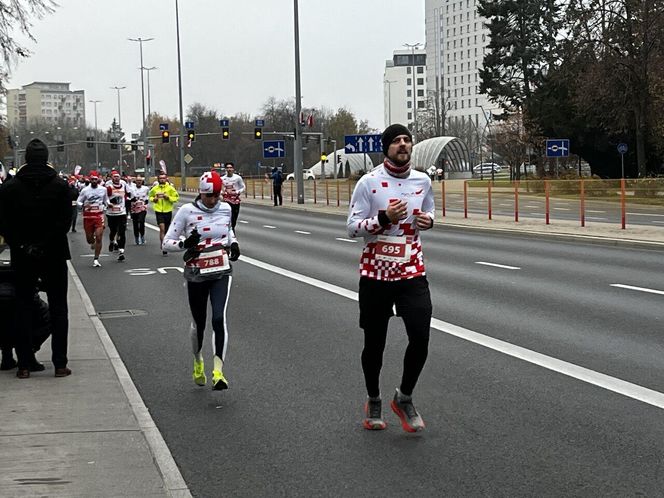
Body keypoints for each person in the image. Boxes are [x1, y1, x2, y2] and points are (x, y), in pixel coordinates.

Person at [347, 123, 435, 433]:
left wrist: (428, 221)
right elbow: (352, 228)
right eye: (396, 141)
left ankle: (405, 397)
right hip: (376, 273)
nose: (402, 145)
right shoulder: (369, 183)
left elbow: (429, 211)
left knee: (421, 337)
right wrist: (384, 218)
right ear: (386, 148)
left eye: (407, 140)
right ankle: (374, 399)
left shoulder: (422, 181)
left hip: (411, 269)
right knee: (375, 343)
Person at [0, 138, 73, 378]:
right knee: (59, 308)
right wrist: (45, 244)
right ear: (47, 159)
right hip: (53, 253)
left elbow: (4, 223)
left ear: (26, 159)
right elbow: (64, 222)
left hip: (23, 255)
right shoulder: (60, 186)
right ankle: (60, 363)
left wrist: (23, 244)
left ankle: (23, 364)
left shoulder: (10, 188)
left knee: (21, 307)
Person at [162, 171, 240, 391]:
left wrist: (233, 243)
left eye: (217, 195)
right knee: (200, 323)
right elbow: (166, 243)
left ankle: (218, 372)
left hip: (221, 270)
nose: (213, 200)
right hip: (196, 273)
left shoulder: (225, 208)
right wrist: (186, 244)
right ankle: (198, 360)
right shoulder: (187, 211)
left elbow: (229, 230)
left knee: (218, 318)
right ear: (200, 194)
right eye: (209, 196)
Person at [77, 171, 108, 267]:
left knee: (99, 236)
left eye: (96, 179)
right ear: (90, 180)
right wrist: (83, 205)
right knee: (89, 239)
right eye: (92, 179)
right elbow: (78, 201)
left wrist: (108, 204)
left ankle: (96, 259)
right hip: (88, 216)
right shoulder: (85, 190)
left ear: (98, 179)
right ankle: (92, 241)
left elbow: (106, 200)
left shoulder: (103, 189)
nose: (94, 181)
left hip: (99, 215)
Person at [149, 173, 179, 255]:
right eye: (160, 178)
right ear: (158, 180)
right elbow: (150, 196)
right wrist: (154, 199)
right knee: (162, 228)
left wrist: (168, 197)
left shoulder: (170, 188)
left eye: (163, 178)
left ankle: (165, 242)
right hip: (158, 210)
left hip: (168, 210)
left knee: (166, 229)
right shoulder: (155, 188)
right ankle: (163, 246)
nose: (162, 180)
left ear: (166, 179)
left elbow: (176, 198)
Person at [105, 170, 129, 261]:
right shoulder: (108, 186)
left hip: (122, 212)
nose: (116, 178)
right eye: (114, 177)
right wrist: (108, 203)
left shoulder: (124, 184)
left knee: (121, 232)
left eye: (118, 176)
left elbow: (130, 192)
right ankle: (112, 241)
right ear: (111, 178)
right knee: (113, 231)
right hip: (111, 213)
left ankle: (121, 251)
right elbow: (105, 197)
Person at [221, 162, 245, 229]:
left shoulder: (238, 178)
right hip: (226, 200)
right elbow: (220, 188)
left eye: (230, 168)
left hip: (235, 201)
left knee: (234, 218)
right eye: (227, 168)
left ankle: (232, 229)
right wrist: (222, 193)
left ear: (233, 169)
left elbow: (243, 187)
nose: (229, 169)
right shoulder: (222, 179)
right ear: (225, 169)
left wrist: (237, 192)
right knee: (227, 217)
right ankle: (228, 229)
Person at [129, 176, 149, 245]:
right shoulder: (132, 189)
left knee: (141, 221)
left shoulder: (146, 188)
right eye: (137, 180)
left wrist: (146, 201)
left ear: (142, 181)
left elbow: (149, 196)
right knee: (135, 224)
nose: (139, 182)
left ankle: (142, 236)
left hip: (142, 208)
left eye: (140, 180)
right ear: (135, 181)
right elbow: (128, 197)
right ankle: (137, 237)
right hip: (134, 209)